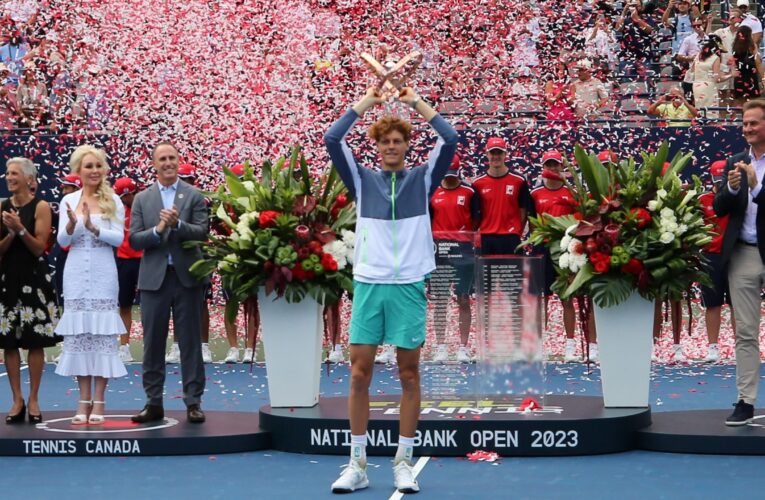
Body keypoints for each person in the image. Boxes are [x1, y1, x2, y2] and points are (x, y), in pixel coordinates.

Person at [325, 86, 458, 493]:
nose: (391, 147)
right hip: (369, 282)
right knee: (359, 373)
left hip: (408, 286)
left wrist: (414, 100)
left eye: (398, 141)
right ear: (377, 146)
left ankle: (403, 461)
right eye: (385, 141)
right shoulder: (363, 181)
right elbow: (333, 138)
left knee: (409, 374)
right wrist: (369, 101)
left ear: (407, 146)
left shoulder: (424, 178)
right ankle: (357, 463)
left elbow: (450, 138)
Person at [129, 141, 209, 424]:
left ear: (178, 161)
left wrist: (177, 225)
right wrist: (159, 229)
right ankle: (153, 402)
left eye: (172, 158)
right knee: (152, 343)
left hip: (186, 278)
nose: (167, 163)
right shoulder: (142, 199)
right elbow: (135, 239)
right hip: (154, 280)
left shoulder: (193, 195)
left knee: (190, 343)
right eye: (162, 158)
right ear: (154, 164)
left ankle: (193, 402)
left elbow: (202, 232)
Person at [54, 145, 127, 423]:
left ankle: (100, 401)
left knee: (102, 337)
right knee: (81, 337)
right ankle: (83, 400)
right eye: (88, 166)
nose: (94, 171)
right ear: (78, 171)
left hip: (103, 272)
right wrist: (73, 225)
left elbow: (119, 240)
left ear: (104, 169)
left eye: (98, 165)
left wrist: (95, 228)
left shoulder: (114, 201)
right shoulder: (69, 201)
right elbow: (62, 241)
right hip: (75, 275)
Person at [714, 98, 765, 425]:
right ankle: (745, 401)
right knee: (745, 331)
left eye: (754, 123)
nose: (747, 129)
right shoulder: (736, 162)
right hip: (744, 253)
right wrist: (732, 190)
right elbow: (719, 208)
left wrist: (755, 186)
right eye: (745, 124)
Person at [0, 156, 60, 424]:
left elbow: (39, 248)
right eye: (7, 174)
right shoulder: (1, 207)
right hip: (6, 281)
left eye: (14, 174)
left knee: (36, 341)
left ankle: (34, 398)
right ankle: (17, 399)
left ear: (28, 179)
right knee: (9, 343)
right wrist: (10, 233)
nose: (9, 178)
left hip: (34, 280)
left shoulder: (42, 206)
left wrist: (19, 228)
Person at [530, 150, 598, 362]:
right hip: (541, 249)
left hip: (566, 250)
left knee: (567, 299)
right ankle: (539, 345)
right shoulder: (535, 194)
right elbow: (531, 222)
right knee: (541, 301)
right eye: (548, 165)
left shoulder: (573, 193)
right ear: (543, 168)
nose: (552, 169)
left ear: (562, 168)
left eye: (556, 165)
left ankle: (570, 345)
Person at [429, 153, 478, 363]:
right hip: (439, 250)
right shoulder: (432, 192)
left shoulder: (469, 192)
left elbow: (476, 219)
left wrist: (463, 238)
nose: (449, 178)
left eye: (453, 175)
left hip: (463, 249)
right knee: (440, 300)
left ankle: (463, 348)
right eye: (446, 174)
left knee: (463, 298)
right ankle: (441, 347)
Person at [165, 163, 214, 363]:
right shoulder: (168, 201)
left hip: (200, 255)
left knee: (202, 302)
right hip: (176, 254)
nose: (187, 183)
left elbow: (204, 229)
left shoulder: (205, 201)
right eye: (183, 179)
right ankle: (177, 346)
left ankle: (204, 346)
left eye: (190, 179)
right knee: (175, 301)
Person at [698, 160, 734, 362]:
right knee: (713, 304)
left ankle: (741, 346)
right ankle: (713, 347)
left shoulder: (737, 198)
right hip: (710, 257)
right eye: (717, 181)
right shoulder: (702, 200)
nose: (720, 185)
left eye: (723, 180)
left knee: (736, 304)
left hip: (733, 255)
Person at [473, 137, 532, 255]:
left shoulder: (519, 181)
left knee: (513, 273)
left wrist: (516, 231)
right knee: (487, 273)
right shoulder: (477, 183)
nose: (496, 156)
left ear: (505, 154)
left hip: (511, 238)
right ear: (487, 154)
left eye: (499, 152)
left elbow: (523, 210)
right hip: (486, 238)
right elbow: (476, 214)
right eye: (492, 152)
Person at [114, 177, 142, 363]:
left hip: (144, 260)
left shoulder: (146, 208)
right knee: (124, 305)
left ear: (134, 192)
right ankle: (124, 347)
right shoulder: (116, 210)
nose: (125, 200)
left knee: (149, 306)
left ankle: (151, 347)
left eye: (128, 196)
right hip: (123, 260)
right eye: (122, 197)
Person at [692, 35, 734, 118]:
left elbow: (693, 69)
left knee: (699, 110)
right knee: (710, 113)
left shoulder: (698, 56)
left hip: (696, 86)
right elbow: (718, 79)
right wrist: (731, 75)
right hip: (709, 87)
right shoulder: (715, 58)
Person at [731, 25, 763, 109]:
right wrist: (763, 77)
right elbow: (757, 61)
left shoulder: (735, 46)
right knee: (753, 103)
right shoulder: (752, 46)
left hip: (739, 76)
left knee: (741, 103)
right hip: (750, 75)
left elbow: (734, 61)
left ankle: (743, 119)